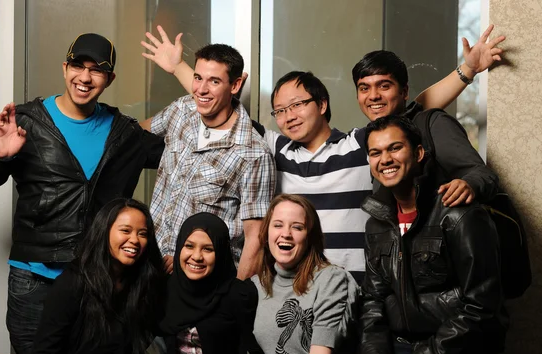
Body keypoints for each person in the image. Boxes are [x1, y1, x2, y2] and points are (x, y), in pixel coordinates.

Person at [140, 25, 504, 282]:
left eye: (298, 104)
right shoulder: (273, 147)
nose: (289, 116)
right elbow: (218, 100)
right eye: (280, 110)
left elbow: (412, 109)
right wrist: (179, 69)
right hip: (300, 289)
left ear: (322, 104)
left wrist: (468, 70)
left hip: (360, 285)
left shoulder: (360, 145)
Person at [0, 33, 164, 354]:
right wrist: (2, 155)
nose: (85, 77)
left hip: (95, 283)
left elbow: (186, 152)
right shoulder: (29, 120)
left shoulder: (125, 134)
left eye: (97, 70)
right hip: (35, 281)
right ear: (65, 67)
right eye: (78, 65)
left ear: (110, 80)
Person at [357, 116, 507, 354]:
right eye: (375, 153)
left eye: (394, 148)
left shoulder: (460, 213)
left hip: (458, 347)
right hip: (398, 345)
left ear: (418, 153)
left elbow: (482, 307)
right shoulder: (377, 224)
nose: (385, 159)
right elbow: (373, 301)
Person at [140, 28, 276, 280]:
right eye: (197, 78)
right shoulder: (182, 110)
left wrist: (236, 300)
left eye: (214, 81)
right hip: (151, 269)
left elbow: (255, 238)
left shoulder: (253, 154)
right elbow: (131, 137)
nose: (201, 89)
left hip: (207, 281)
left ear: (235, 85)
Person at [223, 194, 359, 354]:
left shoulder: (331, 279)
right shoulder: (256, 287)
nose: (285, 234)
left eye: (297, 227)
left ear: (310, 236)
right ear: (267, 233)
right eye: (278, 225)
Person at [29, 198, 166, 354]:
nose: (135, 240)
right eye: (125, 230)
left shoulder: (141, 289)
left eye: (142, 233)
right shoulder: (73, 283)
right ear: (104, 232)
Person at [352, 31, 503, 205]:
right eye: (364, 89)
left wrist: (468, 184)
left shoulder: (432, 124)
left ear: (405, 92)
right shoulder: (367, 139)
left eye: (384, 86)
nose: (373, 96)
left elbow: (483, 175)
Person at [149, 212, 258, 354]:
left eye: (208, 249)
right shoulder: (164, 290)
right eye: (189, 246)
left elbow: (258, 346)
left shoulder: (237, 293)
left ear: (221, 252)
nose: (196, 256)